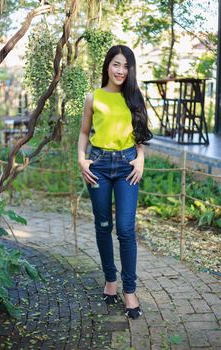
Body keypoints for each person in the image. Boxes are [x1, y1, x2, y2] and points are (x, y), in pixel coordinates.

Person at [77, 45, 152, 319]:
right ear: (108, 65)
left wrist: (140, 158)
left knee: (125, 228)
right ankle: (110, 280)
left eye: (126, 66)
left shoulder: (134, 96)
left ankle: (129, 290)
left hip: (126, 167)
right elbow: (84, 133)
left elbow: (141, 136)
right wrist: (81, 160)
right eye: (116, 64)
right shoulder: (93, 97)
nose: (120, 71)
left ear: (130, 70)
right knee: (103, 225)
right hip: (98, 166)